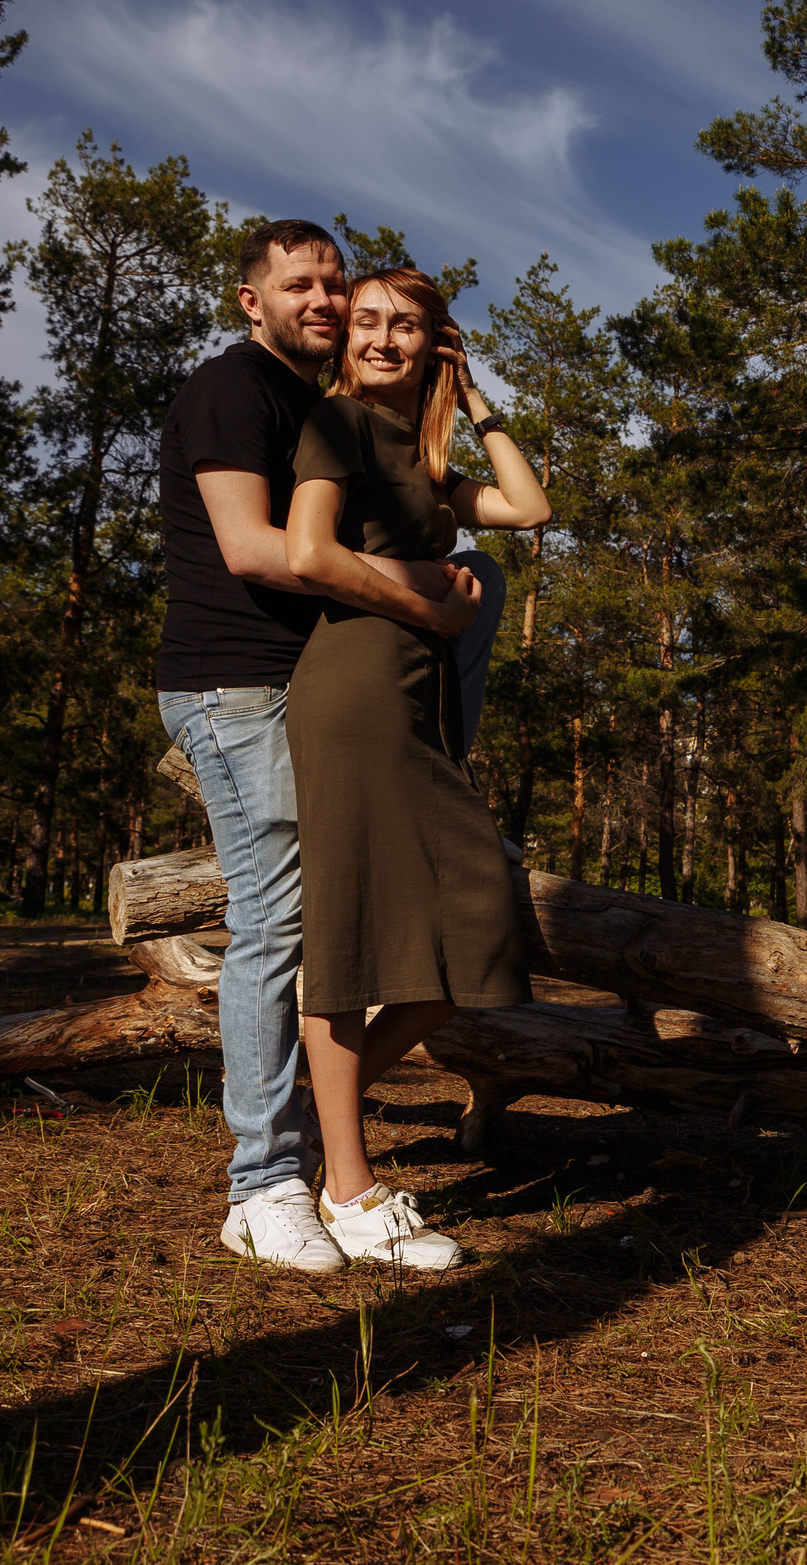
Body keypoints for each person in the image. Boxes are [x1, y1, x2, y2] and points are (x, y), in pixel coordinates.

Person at [157, 220, 482, 1275]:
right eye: (300, 284)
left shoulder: (323, 406)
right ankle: (263, 1186)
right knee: (277, 921)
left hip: (301, 687)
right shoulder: (230, 389)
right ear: (249, 299)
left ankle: (321, 1162)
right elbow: (257, 549)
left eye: (335, 283)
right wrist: (421, 600)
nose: (326, 301)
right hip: (232, 682)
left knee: (329, 924)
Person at [283, 266, 551, 1268]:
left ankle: (312, 1105)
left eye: (406, 327)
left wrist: (476, 399)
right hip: (352, 693)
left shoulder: (421, 454)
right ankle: (348, 1191)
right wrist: (430, 605)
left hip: (419, 707)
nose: (381, 340)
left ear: (435, 344)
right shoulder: (338, 427)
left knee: (476, 924)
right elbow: (310, 553)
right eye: (365, 323)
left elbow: (530, 509)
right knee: (350, 939)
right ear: (344, 340)